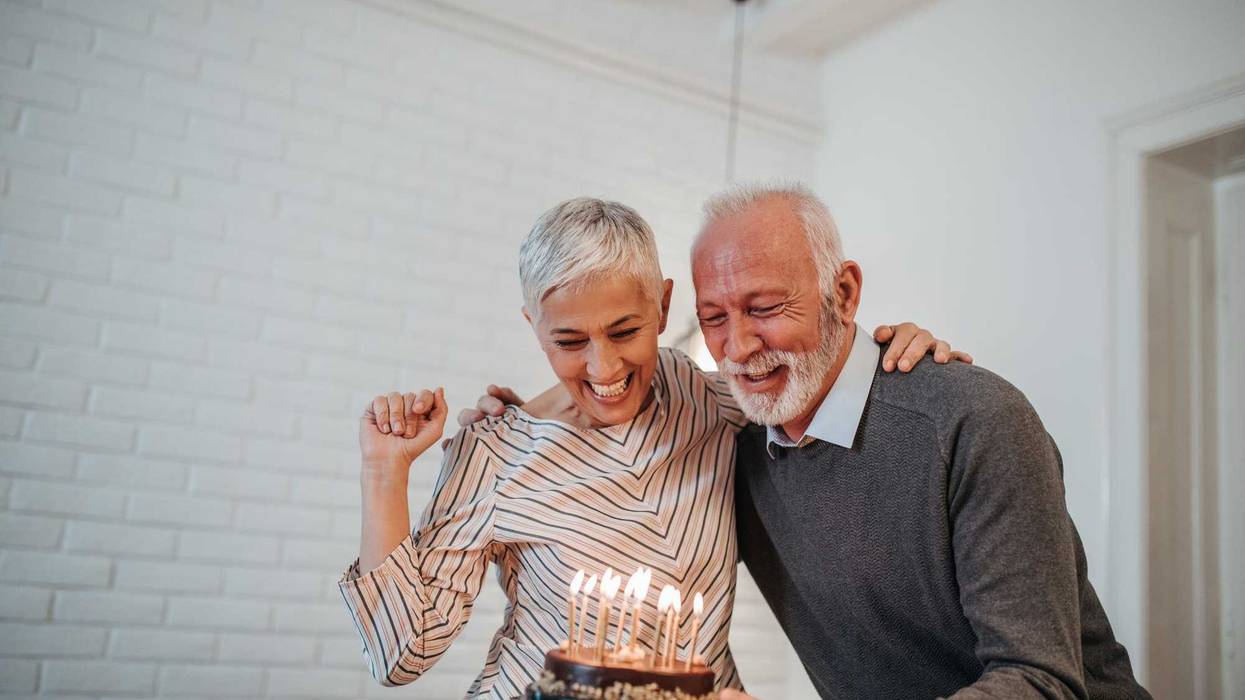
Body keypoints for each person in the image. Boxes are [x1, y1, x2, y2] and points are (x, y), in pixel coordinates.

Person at [468, 183, 1149, 699]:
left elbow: (1039, 682)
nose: (737, 347)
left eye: (765, 308)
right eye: (713, 318)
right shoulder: (733, 446)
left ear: (844, 292)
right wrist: (516, 421)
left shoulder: (970, 420)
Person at [338, 196, 960, 698]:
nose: (602, 365)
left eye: (624, 330)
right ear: (534, 328)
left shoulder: (708, 400)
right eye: (569, 340)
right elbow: (400, 655)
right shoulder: (496, 452)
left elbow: (806, 384)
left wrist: (894, 358)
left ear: (663, 307)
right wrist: (382, 473)